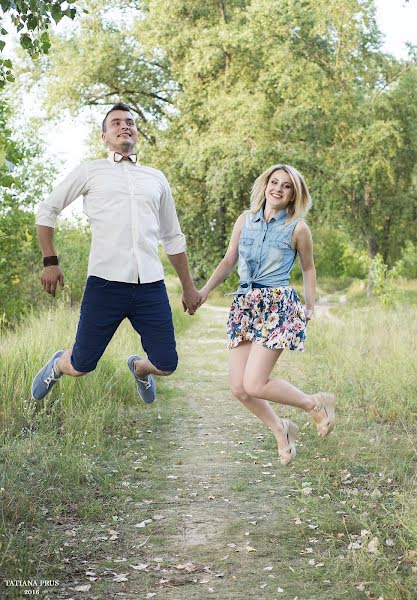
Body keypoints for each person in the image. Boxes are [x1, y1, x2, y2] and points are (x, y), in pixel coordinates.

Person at [31, 102, 201, 404]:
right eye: (116, 123)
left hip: (150, 286)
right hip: (105, 285)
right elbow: (48, 210)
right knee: (81, 365)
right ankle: (59, 363)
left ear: (136, 133)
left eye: (130, 122)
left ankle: (138, 368)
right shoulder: (90, 171)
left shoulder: (156, 178)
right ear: (104, 136)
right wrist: (50, 261)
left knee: (167, 363)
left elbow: (172, 236)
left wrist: (188, 287)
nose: (125, 126)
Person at [198, 164, 335, 465]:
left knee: (255, 384)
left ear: (293, 195)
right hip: (245, 306)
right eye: (275, 182)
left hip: (276, 306)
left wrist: (310, 305)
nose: (279, 189)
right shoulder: (245, 220)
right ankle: (281, 428)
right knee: (239, 387)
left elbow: (308, 268)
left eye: (286, 186)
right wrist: (204, 291)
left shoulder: (297, 228)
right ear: (265, 185)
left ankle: (314, 405)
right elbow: (229, 259)